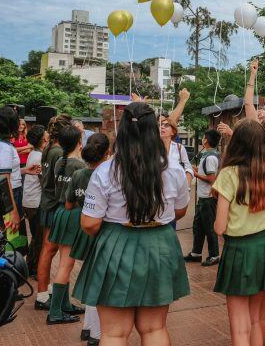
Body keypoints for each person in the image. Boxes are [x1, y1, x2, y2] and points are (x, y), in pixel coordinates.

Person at [73, 102, 190, 346]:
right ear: (154, 131)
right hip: (160, 245)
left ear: (122, 131)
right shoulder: (174, 169)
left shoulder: (105, 171)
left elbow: (90, 223)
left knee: (114, 333)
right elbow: (179, 211)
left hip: (116, 244)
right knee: (154, 328)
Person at [212, 118, 265, 346]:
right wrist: (262, 218)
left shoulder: (228, 174)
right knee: (258, 322)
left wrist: (243, 220)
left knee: (239, 326)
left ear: (236, 142)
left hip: (238, 251)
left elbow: (219, 226)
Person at [67, 133, 110, 346]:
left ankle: (88, 327)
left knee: (91, 278)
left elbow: (69, 203)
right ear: (107, 152)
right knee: (100, 283)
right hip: (101, 232)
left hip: (85, 228)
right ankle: (96, 332)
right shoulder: (107, 173)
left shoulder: (79, 174)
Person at [46, 124, 87, 325]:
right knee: (66, 264)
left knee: (64, 261)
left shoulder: (59, 162)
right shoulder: (79, 166)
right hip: (73, 214)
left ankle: (64, 304)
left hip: (61, 212)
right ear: (80, 141)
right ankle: (55, 312)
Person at [35, 113, 73, 310]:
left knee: (48, 249)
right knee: (50, 250)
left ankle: (45, 290)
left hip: (46, 202)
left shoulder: (48, 148)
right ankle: (42, 294)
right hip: (53, 203)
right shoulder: (59, 152)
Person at [184, 129, 222, 266]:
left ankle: (214, 255)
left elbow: (212, 178)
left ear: (206, 140)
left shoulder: (211, 157)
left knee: (209, 227)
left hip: (208, 198)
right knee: (198, 226)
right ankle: (196, 253)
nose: (202, 139)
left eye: (204, 137)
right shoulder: (207, 155)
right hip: (203, 198)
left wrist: (195, 174)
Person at [23, 125, 46, 278]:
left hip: (30, 200)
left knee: (37, 238)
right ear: (42, 138)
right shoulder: (39, 156)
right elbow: (43, 180)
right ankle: (34, 269)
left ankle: (30, 266)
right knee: (39, 239)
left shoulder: (34, 153)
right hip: (35, 202)